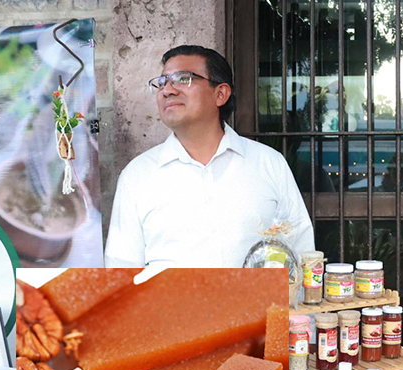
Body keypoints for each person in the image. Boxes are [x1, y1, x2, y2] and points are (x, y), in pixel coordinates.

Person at [105, 45, 314, 267]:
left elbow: (300, 250)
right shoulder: (138, 175)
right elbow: (122, 267)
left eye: (183, 79)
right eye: (162, 82)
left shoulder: (268, 163)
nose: (168, 90)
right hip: (168, 302)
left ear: (220, 94)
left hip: (258, 302)